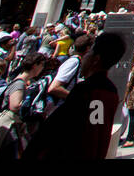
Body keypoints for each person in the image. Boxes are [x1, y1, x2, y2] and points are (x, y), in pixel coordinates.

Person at [21, 32, 126, 160]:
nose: (83, 58)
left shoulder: (95, 92)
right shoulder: (104, 90)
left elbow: (93, 131)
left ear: (96, 59)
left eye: (88, 54)